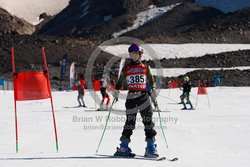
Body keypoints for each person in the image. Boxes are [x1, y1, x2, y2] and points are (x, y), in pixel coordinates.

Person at [113, 44, 159, 158]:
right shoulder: (127, 68)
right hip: (131, 98)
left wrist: (153, 89)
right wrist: (116, 90)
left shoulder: (145, 67)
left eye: (136, 53)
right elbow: (120, 81)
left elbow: (151, 81)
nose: (134, 55)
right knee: (130, 122)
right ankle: (124, 146)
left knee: (148, 122)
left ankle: (150, 146)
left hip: (144, 97)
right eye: (132, 53)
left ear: (140, 54)